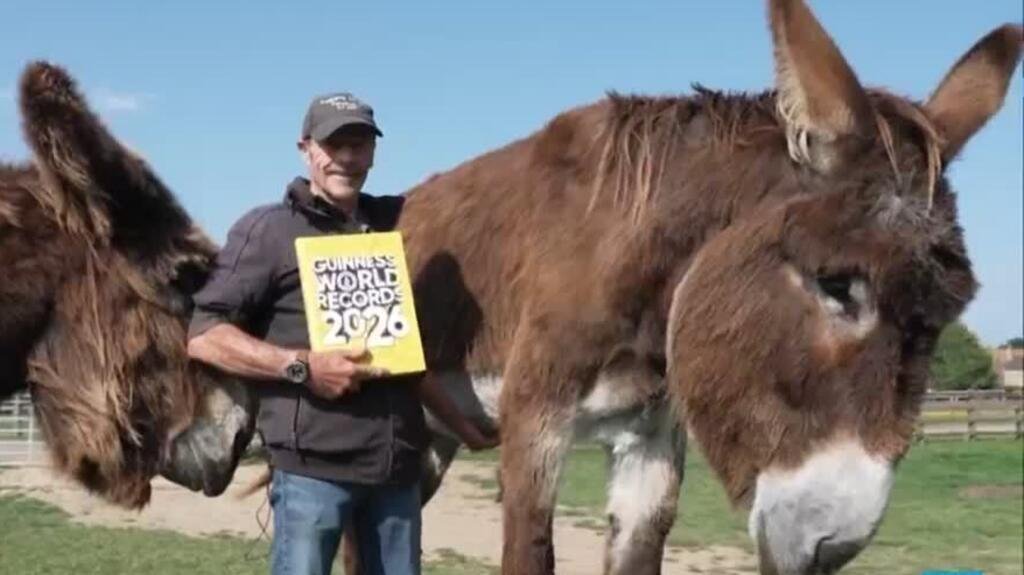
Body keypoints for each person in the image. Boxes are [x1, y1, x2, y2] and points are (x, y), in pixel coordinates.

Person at [186, 92, 498, 575]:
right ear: (306, 148)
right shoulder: (268, 231)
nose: (348, 158)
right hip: (312, 473)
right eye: (335, 144)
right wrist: (303, 367)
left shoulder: (394, 227)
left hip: (396, 472)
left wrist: (463, 429)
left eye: (360, 144)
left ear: (374, 152)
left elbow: (398, 357)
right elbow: (205, 335)